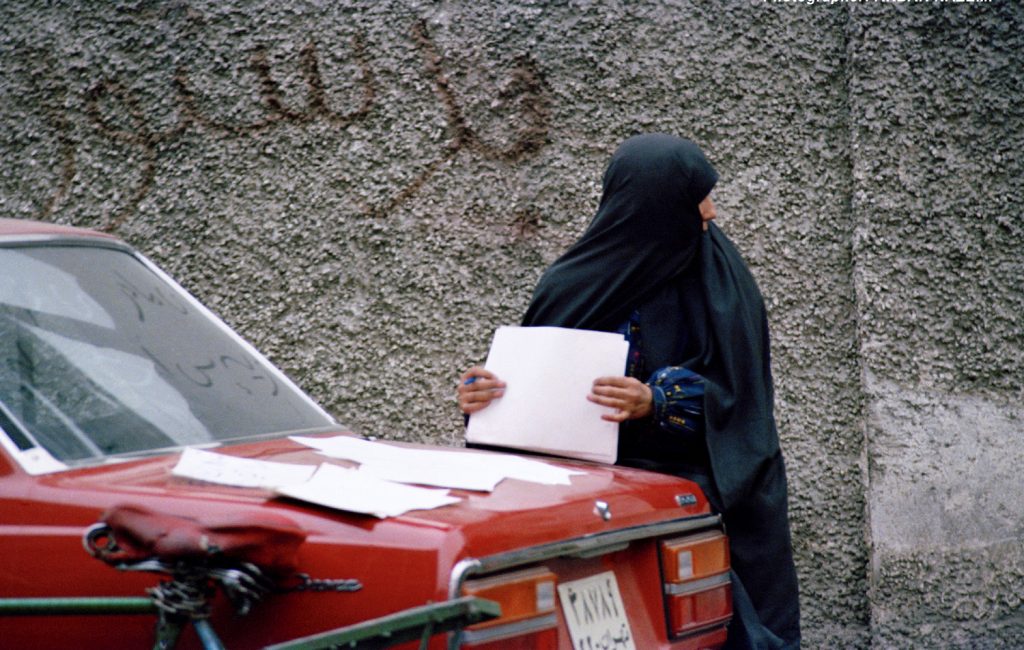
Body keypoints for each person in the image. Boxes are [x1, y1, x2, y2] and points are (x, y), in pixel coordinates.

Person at [457, 133, 800, 649]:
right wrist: (485, 400)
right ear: (653, 205)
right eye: (696, 197)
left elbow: (743, 401)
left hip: (697, 491)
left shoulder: (722, 285)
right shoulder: (574, 282)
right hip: (589, 504)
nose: (709, 211)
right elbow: (535, 397)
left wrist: (658, 401)